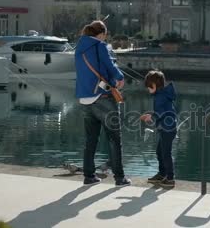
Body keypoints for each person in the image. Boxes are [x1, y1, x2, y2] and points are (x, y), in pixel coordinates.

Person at [75, 20, 130, 187]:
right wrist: (120, 78)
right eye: (105, 35)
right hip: (102, 97)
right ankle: (119, 178)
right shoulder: (100, 46)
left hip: (85, 98)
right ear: (102, 33)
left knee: (91, 139)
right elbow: (110, 64)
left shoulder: (79, 47)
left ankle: (89, 176)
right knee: (114, 139)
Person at [140, 70, 177, 188]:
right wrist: (152, 115)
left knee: (166, 153)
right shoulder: (161, 94)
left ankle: (170, 178)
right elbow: (161, 111)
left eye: (149, 87)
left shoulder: (161, 96)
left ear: (154, 85)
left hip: (168, 129)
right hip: (165, 128)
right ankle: (162, 174)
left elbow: (161, 111)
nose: (148, 90)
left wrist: (152, 116)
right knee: (160, 152)